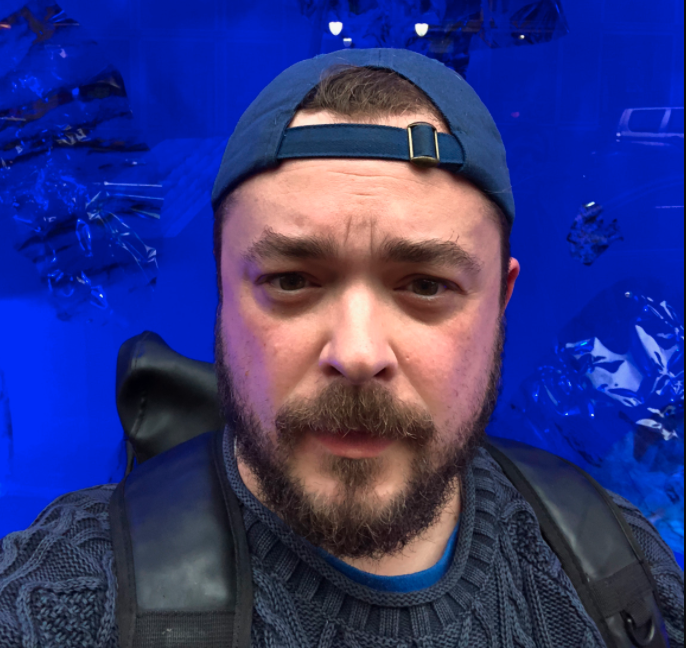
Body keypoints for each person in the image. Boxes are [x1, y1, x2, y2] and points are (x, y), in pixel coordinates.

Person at [0, 48, 683, 648]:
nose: (357, 354)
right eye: (291, 280)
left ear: (500, 305)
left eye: (425, 285)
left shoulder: (620, 566)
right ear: (222, 294)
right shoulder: (71, 595)